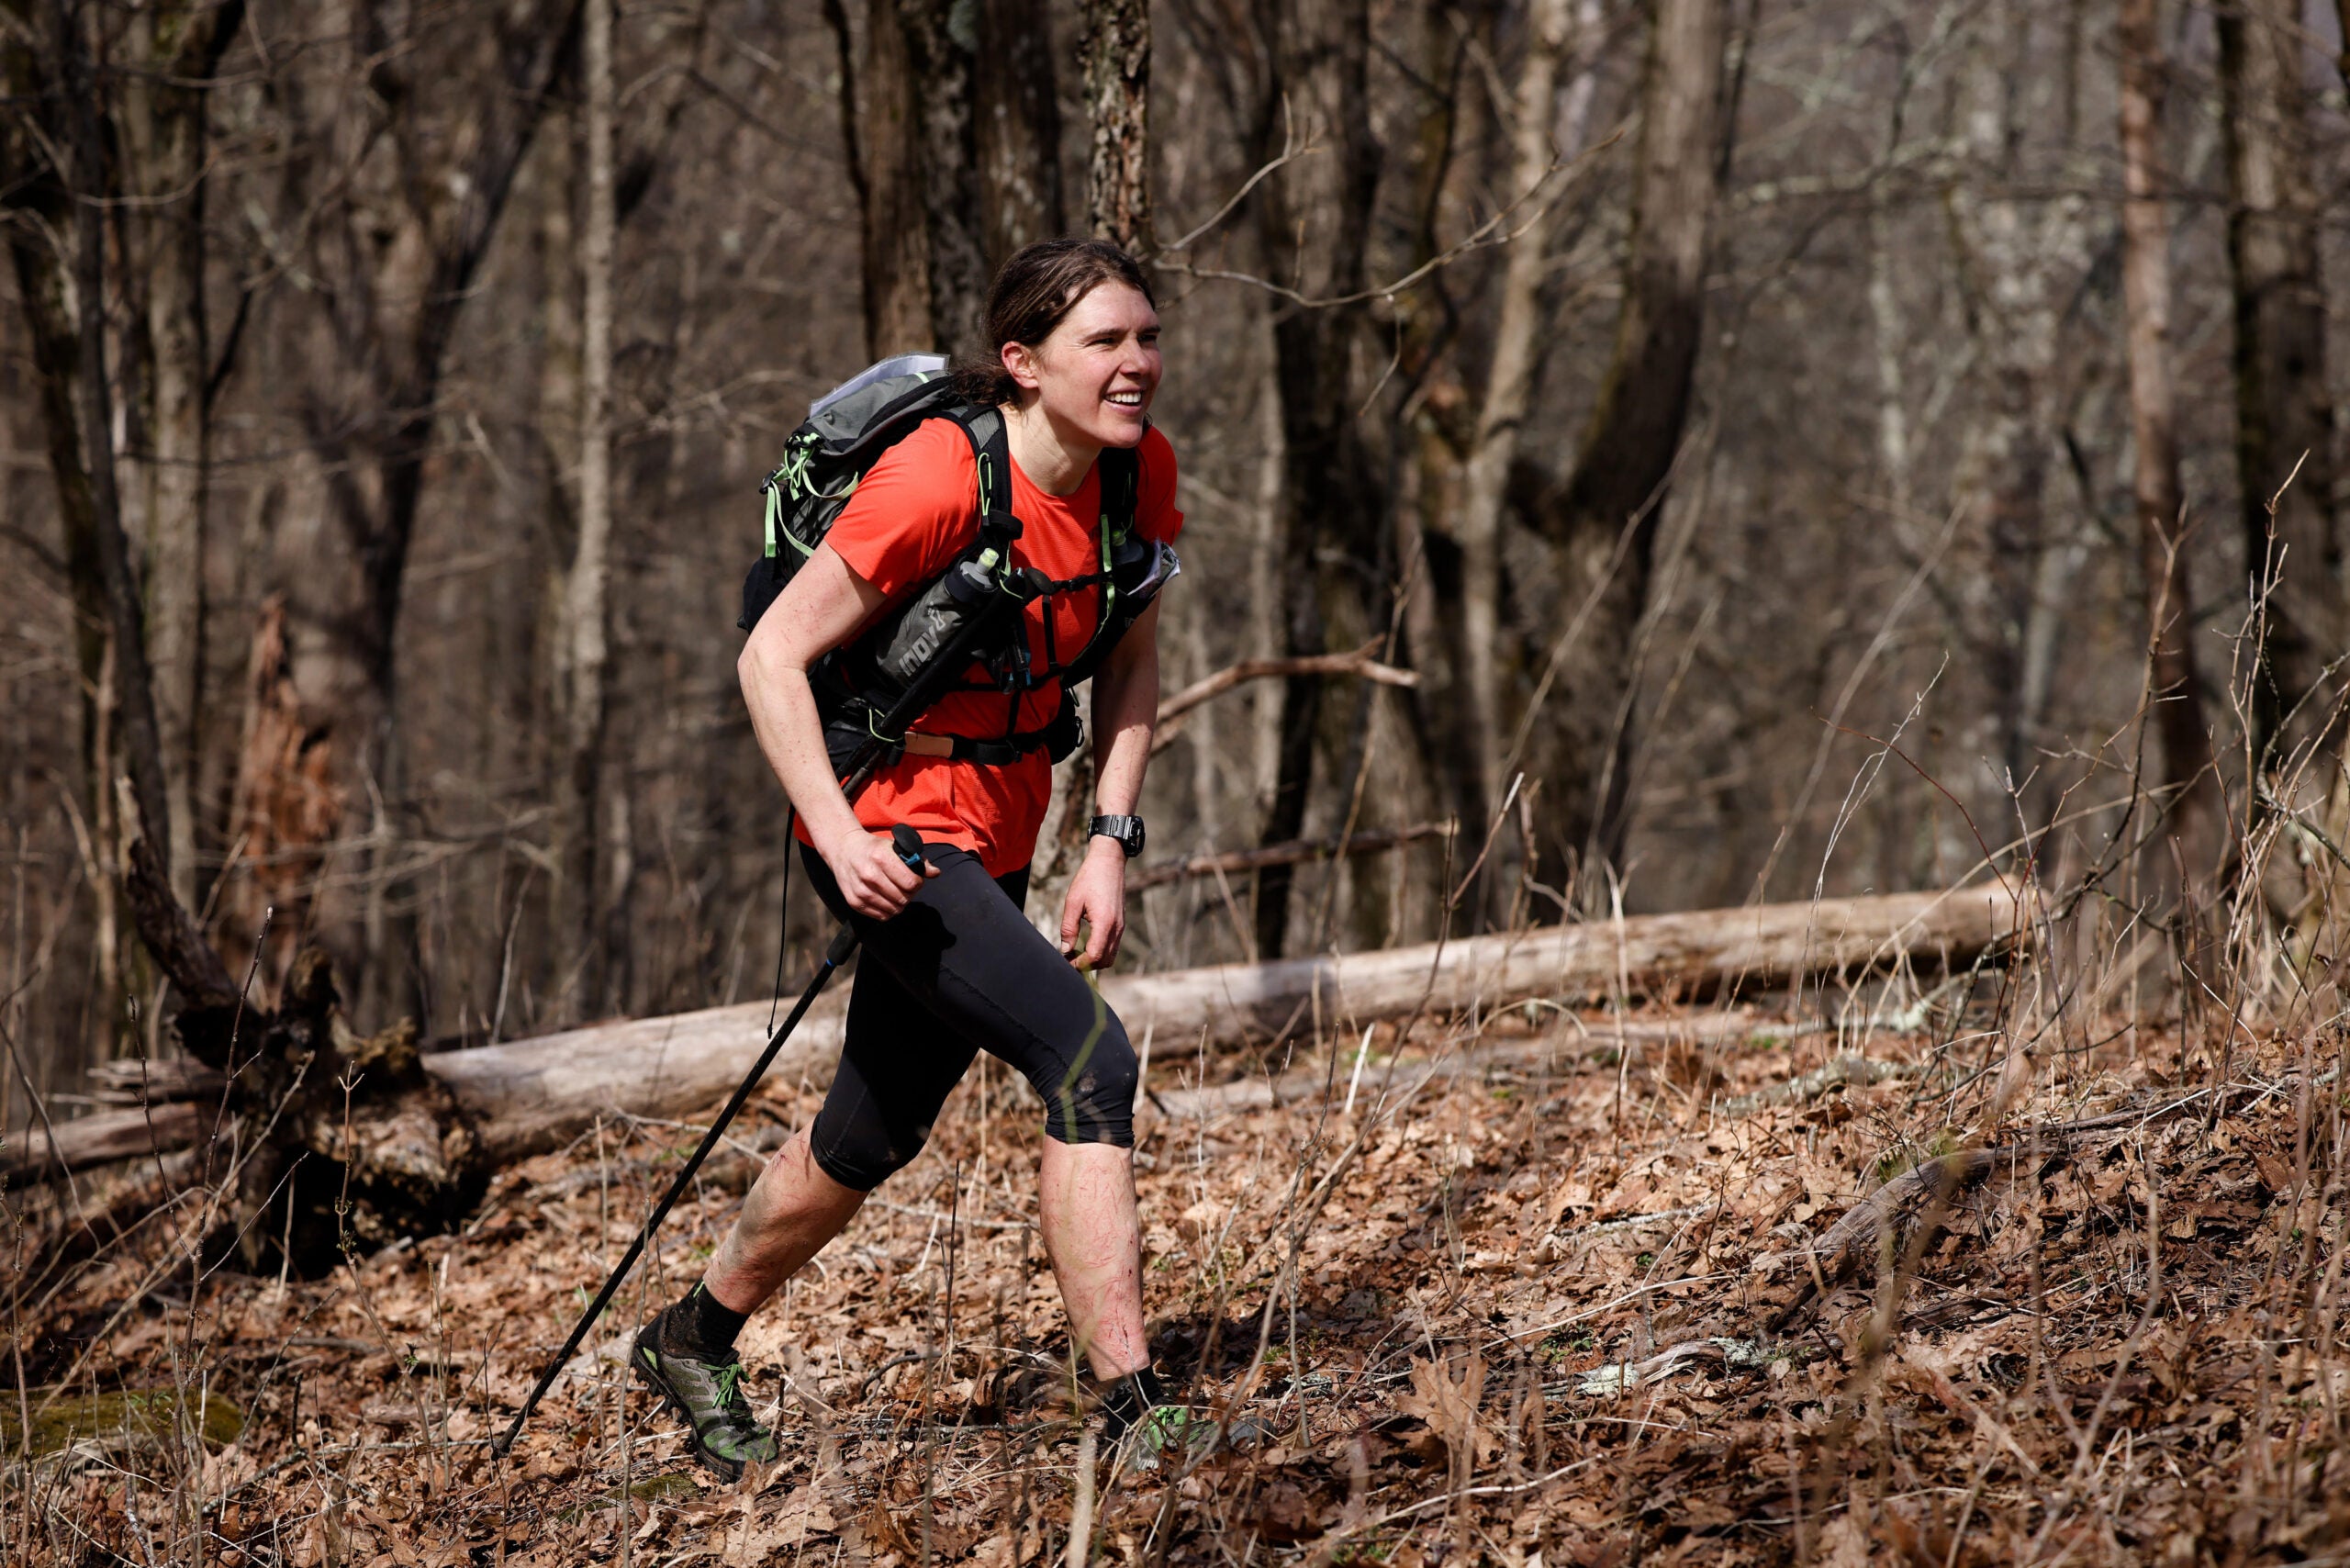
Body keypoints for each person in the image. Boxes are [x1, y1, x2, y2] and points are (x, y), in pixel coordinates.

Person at [632, 240, 1203, 1480]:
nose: (1137, 365)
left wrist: (1107, 837)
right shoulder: (941, 477)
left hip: (999, 828)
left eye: (1146, 338)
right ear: (1023, 361)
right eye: (1105, 343)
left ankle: (693, 1336)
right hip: (883, 830)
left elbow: (1133, 658)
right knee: (1090, 1060)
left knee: (872, 1132)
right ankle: (1133, 1407)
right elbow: (770, 659)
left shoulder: (1134, 472)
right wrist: (837, 838)